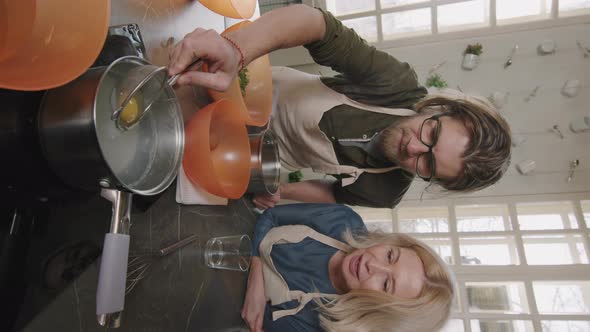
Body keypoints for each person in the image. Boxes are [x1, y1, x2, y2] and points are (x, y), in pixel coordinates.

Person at [168, 4, 512, 209]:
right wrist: (236, 52)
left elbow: (334, 194)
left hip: (243, 152)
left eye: (427, 162)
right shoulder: (396, 85)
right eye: (431, 132)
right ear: (440, 109)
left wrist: (280, 189)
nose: (414, 146)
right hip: (233, 89)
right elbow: (317, 26)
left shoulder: (386, 191)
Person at [240, 203, 454, 332]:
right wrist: (256, 273)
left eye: (386, 284)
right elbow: (271, 216)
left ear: (381, 311)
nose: (372, 264)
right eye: (390, 255)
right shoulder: (344, 220)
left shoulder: (323, 324)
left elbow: (248, 322)